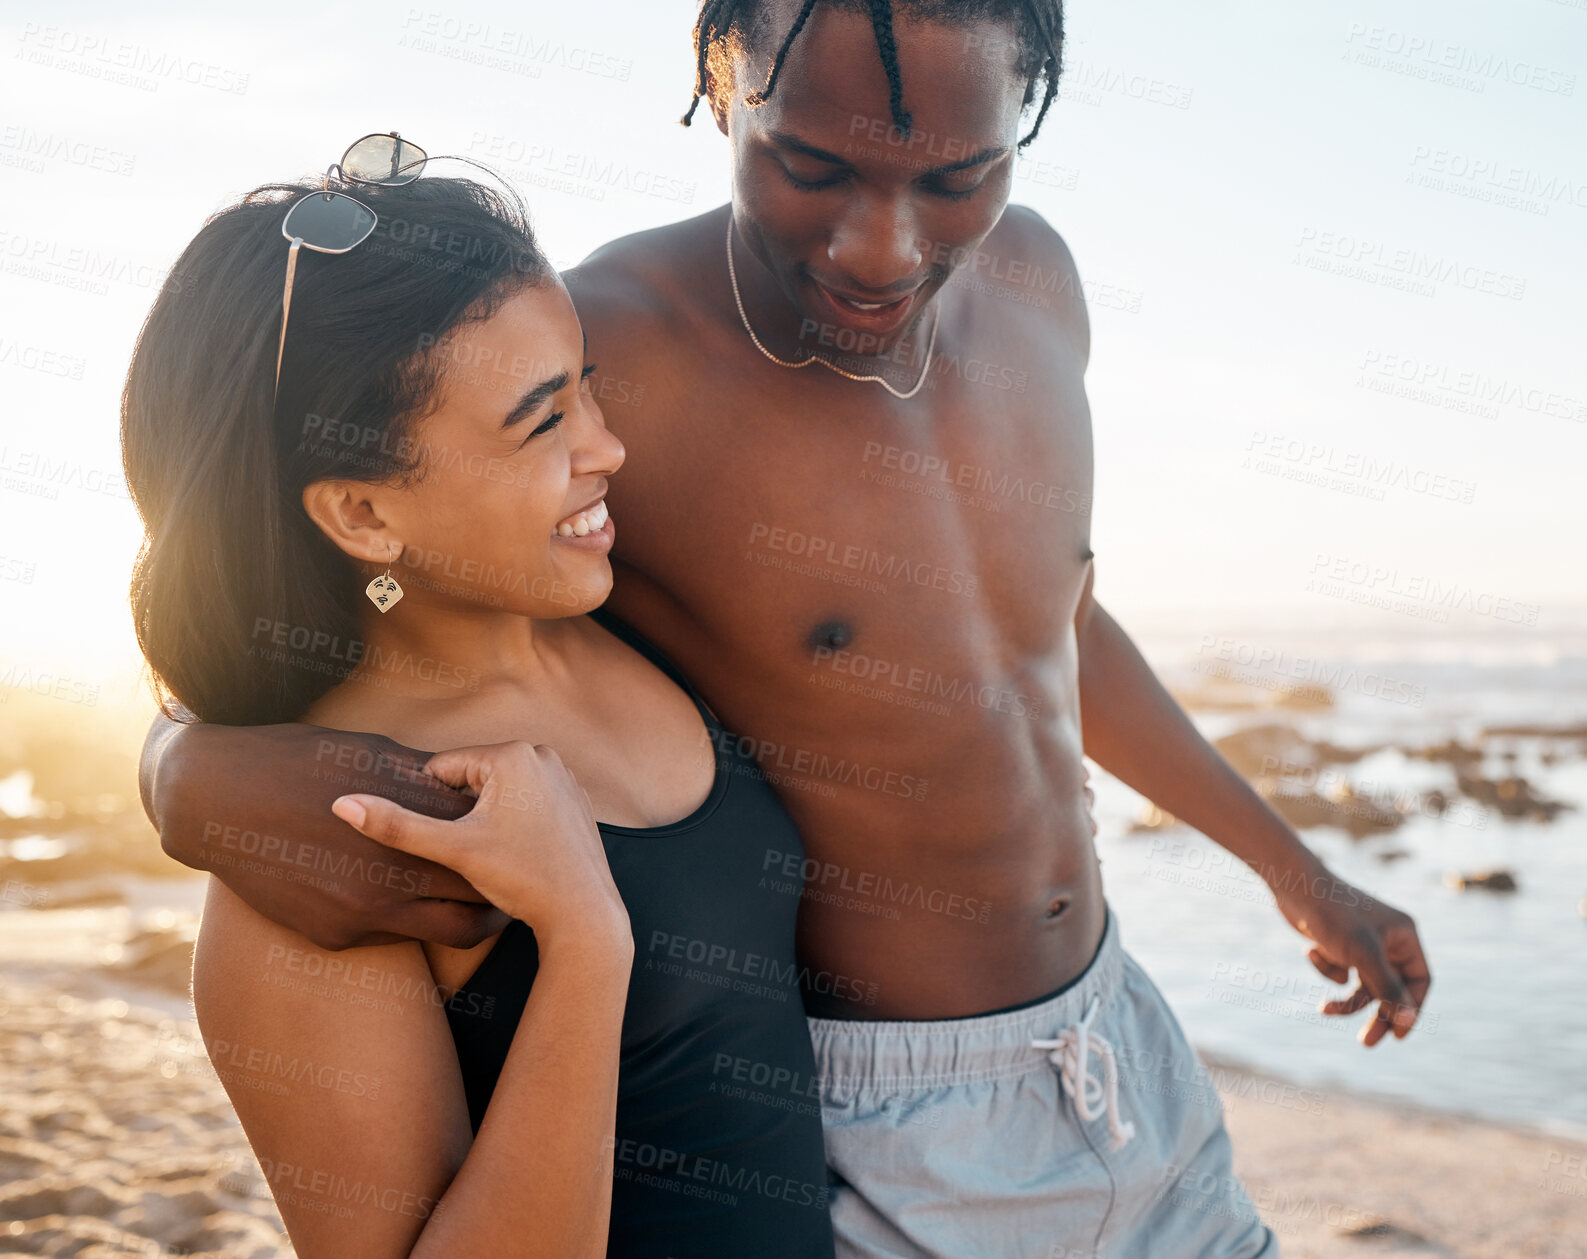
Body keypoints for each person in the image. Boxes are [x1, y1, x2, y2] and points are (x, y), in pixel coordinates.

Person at [141, 5, 1433, 1257]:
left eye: (957, 176)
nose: (880, 248)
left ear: (1021, 119)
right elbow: (344, 520)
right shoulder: (618, 356)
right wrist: (186, 762)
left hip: (1118, 1039)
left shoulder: (1037, 283)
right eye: (810, 166)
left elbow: (1056, 629)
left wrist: (1291, 868)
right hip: (883, 1121)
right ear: (718, 83)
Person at [122, 160, 835, 1258]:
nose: (607, 446)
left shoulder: (628, 611)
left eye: (586, 384)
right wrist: (587, 942)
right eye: (542, 422)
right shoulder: (334, 846)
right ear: (364, 512)